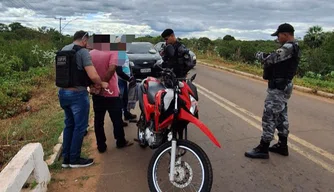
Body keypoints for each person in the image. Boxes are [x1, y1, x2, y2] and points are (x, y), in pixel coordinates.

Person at [245, 23, 301, 159]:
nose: (277, 38)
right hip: (283, 86)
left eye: (279, 35)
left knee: (269, 116)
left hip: (278, 87)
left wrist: (259, 55)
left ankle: (263, 148)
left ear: (286, 34)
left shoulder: (288, 47)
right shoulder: (294, 46)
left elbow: (269, 59)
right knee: (281, 116)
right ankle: (282, 145)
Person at [58, 30, 109, 168]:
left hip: (63, 93)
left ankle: (66, 158)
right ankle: (74, 159)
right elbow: (92, 74)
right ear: (84, 39)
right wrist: (101, 83)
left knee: (69, 125)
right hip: (77, 94)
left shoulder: (64, 49)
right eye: (88, 40)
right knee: (80, 127)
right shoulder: (82, 52)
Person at [88, 44, 134, 153]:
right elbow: (113, 68)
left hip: (96, 93)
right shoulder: (113, 52)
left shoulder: (90, 54)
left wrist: (95, 86)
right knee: (117, 119)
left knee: (98, 120)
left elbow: (86, 72)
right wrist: (103, 83)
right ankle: (120, 141)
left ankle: (101, 145)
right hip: (111, 91)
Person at [116, 53, 137, 122]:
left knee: (125, 99)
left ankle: (126, 114)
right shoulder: (119, 54)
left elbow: (127, 65)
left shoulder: (123, 53)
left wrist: (131, 75)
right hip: (120, 79)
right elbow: (119, 71)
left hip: (124, 79)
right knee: (120, 100)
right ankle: (119, 120)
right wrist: (129, 78)